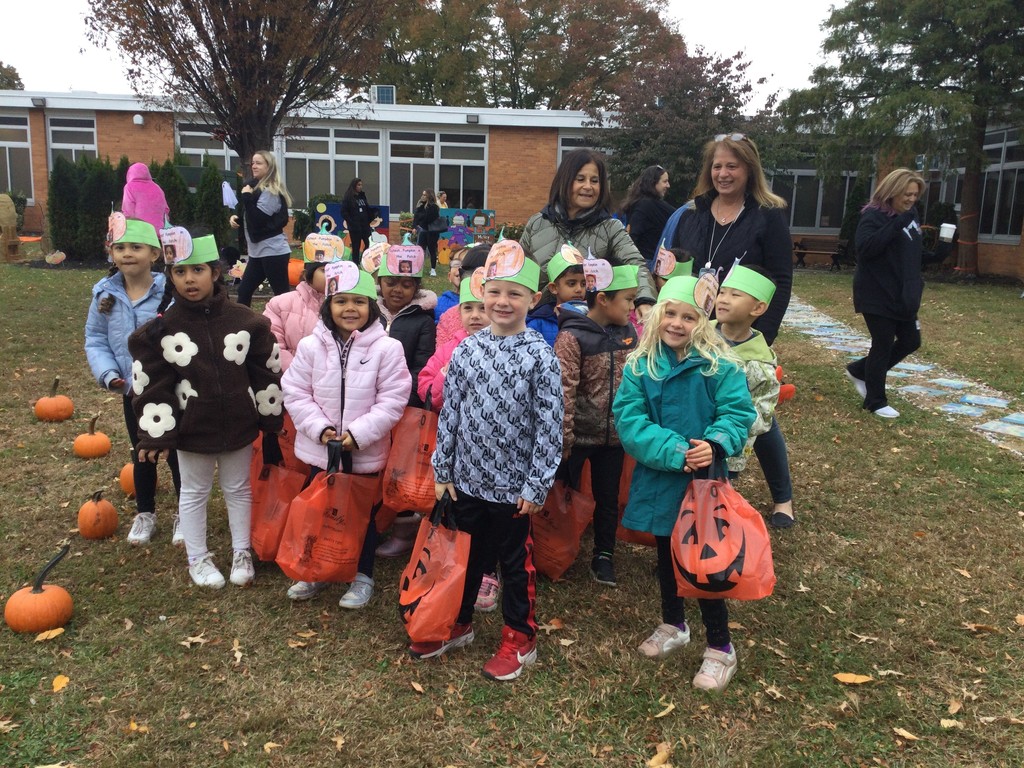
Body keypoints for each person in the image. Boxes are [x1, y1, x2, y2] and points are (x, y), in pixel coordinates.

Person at [411, 243, 563, 682]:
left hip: (514, 489)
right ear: (482, 291)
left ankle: (520, 636)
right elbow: (451, 413)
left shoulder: (541, 356)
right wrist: (444, 471)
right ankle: (457, 622)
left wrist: (536, 486)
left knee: (515, 564)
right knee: (465, 558)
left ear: (533, 299)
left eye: (515, 294)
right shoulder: (467, 350)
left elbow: (549, 427)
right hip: (465, 481)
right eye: (495, 292)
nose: (502, 302)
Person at [613, 276, 755, 692]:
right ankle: (674, 623)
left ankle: (720, 646)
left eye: (689, 317)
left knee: (707, 563)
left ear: (704, 321)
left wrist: (714, 444)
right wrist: (676, 451)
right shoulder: (640, 367)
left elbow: (737, 413)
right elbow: (631, 420)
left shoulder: (721, 366)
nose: (677, 323)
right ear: (656, 316)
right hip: (661, 479)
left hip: (705, 482)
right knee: (665, 554)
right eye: (670, 314)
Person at [128, 232, 284, 589]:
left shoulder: (247, 323)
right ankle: (197, 558)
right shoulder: (162, 331)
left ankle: (242, 551)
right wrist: (158, 432)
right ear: (171, 277)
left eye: (197, 270)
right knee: (194, 491)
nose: (189, 279)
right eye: (179, 272)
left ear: (215, 272)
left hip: (239, 424)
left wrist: (270, 417)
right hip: (192, 428)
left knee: (238, 488)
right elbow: (152, 385)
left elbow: (266, 372)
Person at [661, 133, 795, 527]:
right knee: (699, 405)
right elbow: (681, 264)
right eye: (717, 166)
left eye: (732, 166)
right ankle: (700, 489)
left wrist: (762, 333)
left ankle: (782, 498)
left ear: (749, 169)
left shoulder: (767, 215)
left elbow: (782, 277)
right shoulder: (694, 213)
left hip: (742, 328)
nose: (723, 173)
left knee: (753, 410)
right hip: (695, 323)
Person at [281, 261, 411, 607]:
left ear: (372, 307)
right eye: (341, 301)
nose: (349, 309)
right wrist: (318, 429)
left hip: (363, 452)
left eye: (359, 301)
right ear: (328, 305)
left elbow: (393, 398)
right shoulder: (311, 346)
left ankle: (362, 574)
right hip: (319, 450)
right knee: (319, 510)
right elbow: (294, 390)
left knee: (361, 517)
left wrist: (360, 433)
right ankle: (314, 570)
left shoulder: (387, 349)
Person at [85, 218, 181, 545]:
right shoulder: (104, 294)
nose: (127, 254)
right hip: (133, 390)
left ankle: (186, 511)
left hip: (171, 387)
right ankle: (145, 513)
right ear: (111, 252)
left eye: (136, 247)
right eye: (120, 247)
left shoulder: (167, 291)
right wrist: (109, 374)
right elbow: (96, 339)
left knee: (178, 449)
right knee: (142, 449)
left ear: (153, 253)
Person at [416, 272, 500, 613]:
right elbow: (425, 389)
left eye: (483, 307)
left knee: (494, 515)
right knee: (462, 510)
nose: (477, 315)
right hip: (458, 449)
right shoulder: (449, 349)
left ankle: (488, 570)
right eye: (469, 307)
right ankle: (458, 563)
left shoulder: (508, 349)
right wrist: (444, 376)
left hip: (495, 452)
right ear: (459, 312)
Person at [554, 263, 639, 587]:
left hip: (614, 440)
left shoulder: (628, 334)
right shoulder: (572, 336)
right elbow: (563, 392)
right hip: (575, 440)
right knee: (562, 495)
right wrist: (563, 441)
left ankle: (604, 554)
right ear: (603, 299)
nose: (632, 307)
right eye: (627, 300)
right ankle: (556, 546)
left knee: (608, 497)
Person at [519, 149, 657, 318]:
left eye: (594, 181)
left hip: (589, 328)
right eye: (580, 179)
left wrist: (644, 300)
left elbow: (635, 264)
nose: (588, 187)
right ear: (565, 181)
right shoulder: (537, 223)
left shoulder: (610, 228)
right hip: (536, 323)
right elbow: (518, 271)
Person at [713, 265, 793, 528]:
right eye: (722, 292)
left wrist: (726, 430)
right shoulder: (699, 334)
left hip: (729, 438)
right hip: (690, 427)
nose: (723, 299)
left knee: (717, 491)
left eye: (735, 295)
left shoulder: (759, 362)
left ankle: (784, 499)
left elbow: (761, 415)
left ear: (757, 309)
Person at [845, 168, 926, 420]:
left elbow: (910, 253)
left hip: (903, 295)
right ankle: (875, 401)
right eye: (907, 194)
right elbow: (866, 249)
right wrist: (898, 223)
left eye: (915, 194)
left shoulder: (910, 216)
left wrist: (940, 253)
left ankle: (860, 370)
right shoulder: (873, 217)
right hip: (876, 292)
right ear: (892, 192)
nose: (911, 199)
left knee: (911, 341)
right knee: (882, 343)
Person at [373, 240, 438, 558]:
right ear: (379, 283)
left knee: (400, 470)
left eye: (406, 283)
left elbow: (421, 367)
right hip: (365, 406)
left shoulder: (422, 321)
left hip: (402, 408)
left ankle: (403, 529)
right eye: (391, 282)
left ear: (416, 286)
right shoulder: (368, 312)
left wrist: (396, 399)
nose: (397, 289)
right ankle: (372, 521)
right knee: (372, 466)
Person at [230, 150, 293, 306]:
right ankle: (244, 327)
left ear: (269, 167)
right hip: (258, 252)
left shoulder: (270, 191)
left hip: (273, 251)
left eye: (259, 163)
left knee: (281, 295)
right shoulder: (254, 188)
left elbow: (258, 219)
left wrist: (246, 197)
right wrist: (237, 218)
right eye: (253, 163)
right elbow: (253, 217)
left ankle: (289, 327)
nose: (254, 166)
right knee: (244, 291)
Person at [263, 259, 328, 371]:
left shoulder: (347, 308)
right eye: (324, 270)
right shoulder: (281, 304)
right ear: (306, 274)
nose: (332, 276)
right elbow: (273, 344)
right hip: (291, 378)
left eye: (338, 271)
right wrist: (298, 374)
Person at [526, 247, 586, 345]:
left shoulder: (591, 319)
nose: (579, 289)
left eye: (583, 284)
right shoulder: (538, 323)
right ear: (553, 288)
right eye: (571, 283)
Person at [621, 165, 674, 268]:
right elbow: (633, 236)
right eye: (665, 181)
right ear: (653, 183)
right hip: (647, 263)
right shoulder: (646, 205)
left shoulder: (640, 203)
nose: (668, 185)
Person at [121, 163, 169, 233]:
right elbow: (166, 211)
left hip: (140, 232)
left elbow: (128, 212)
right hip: (159, 233)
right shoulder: (157, 188)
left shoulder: (129, 187)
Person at [341, 178, 377, 263]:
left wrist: (373, 214)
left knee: (368, 244)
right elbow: (344, 212)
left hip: (365, 226)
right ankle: (355, 263)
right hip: (355, 227)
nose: (361, 187)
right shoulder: (348, 198)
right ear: (354, 186)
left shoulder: (362, 196)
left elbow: (366, 209)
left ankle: (364, 261)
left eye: (361, 185)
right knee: (356, 246)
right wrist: (351, 222)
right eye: (359, 185)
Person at [413, 189, 441, 277]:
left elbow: (428, 218)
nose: (422, 196)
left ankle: (433, 269)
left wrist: (420, 221)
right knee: (421, 250)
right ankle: (419, 268)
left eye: (425, 195)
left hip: (432, 231)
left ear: (429, 196)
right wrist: (415, 226)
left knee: (432, 250)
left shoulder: (434, 207)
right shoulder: (421, 206)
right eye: (422, 195)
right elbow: (416, 217)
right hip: (423, 230)